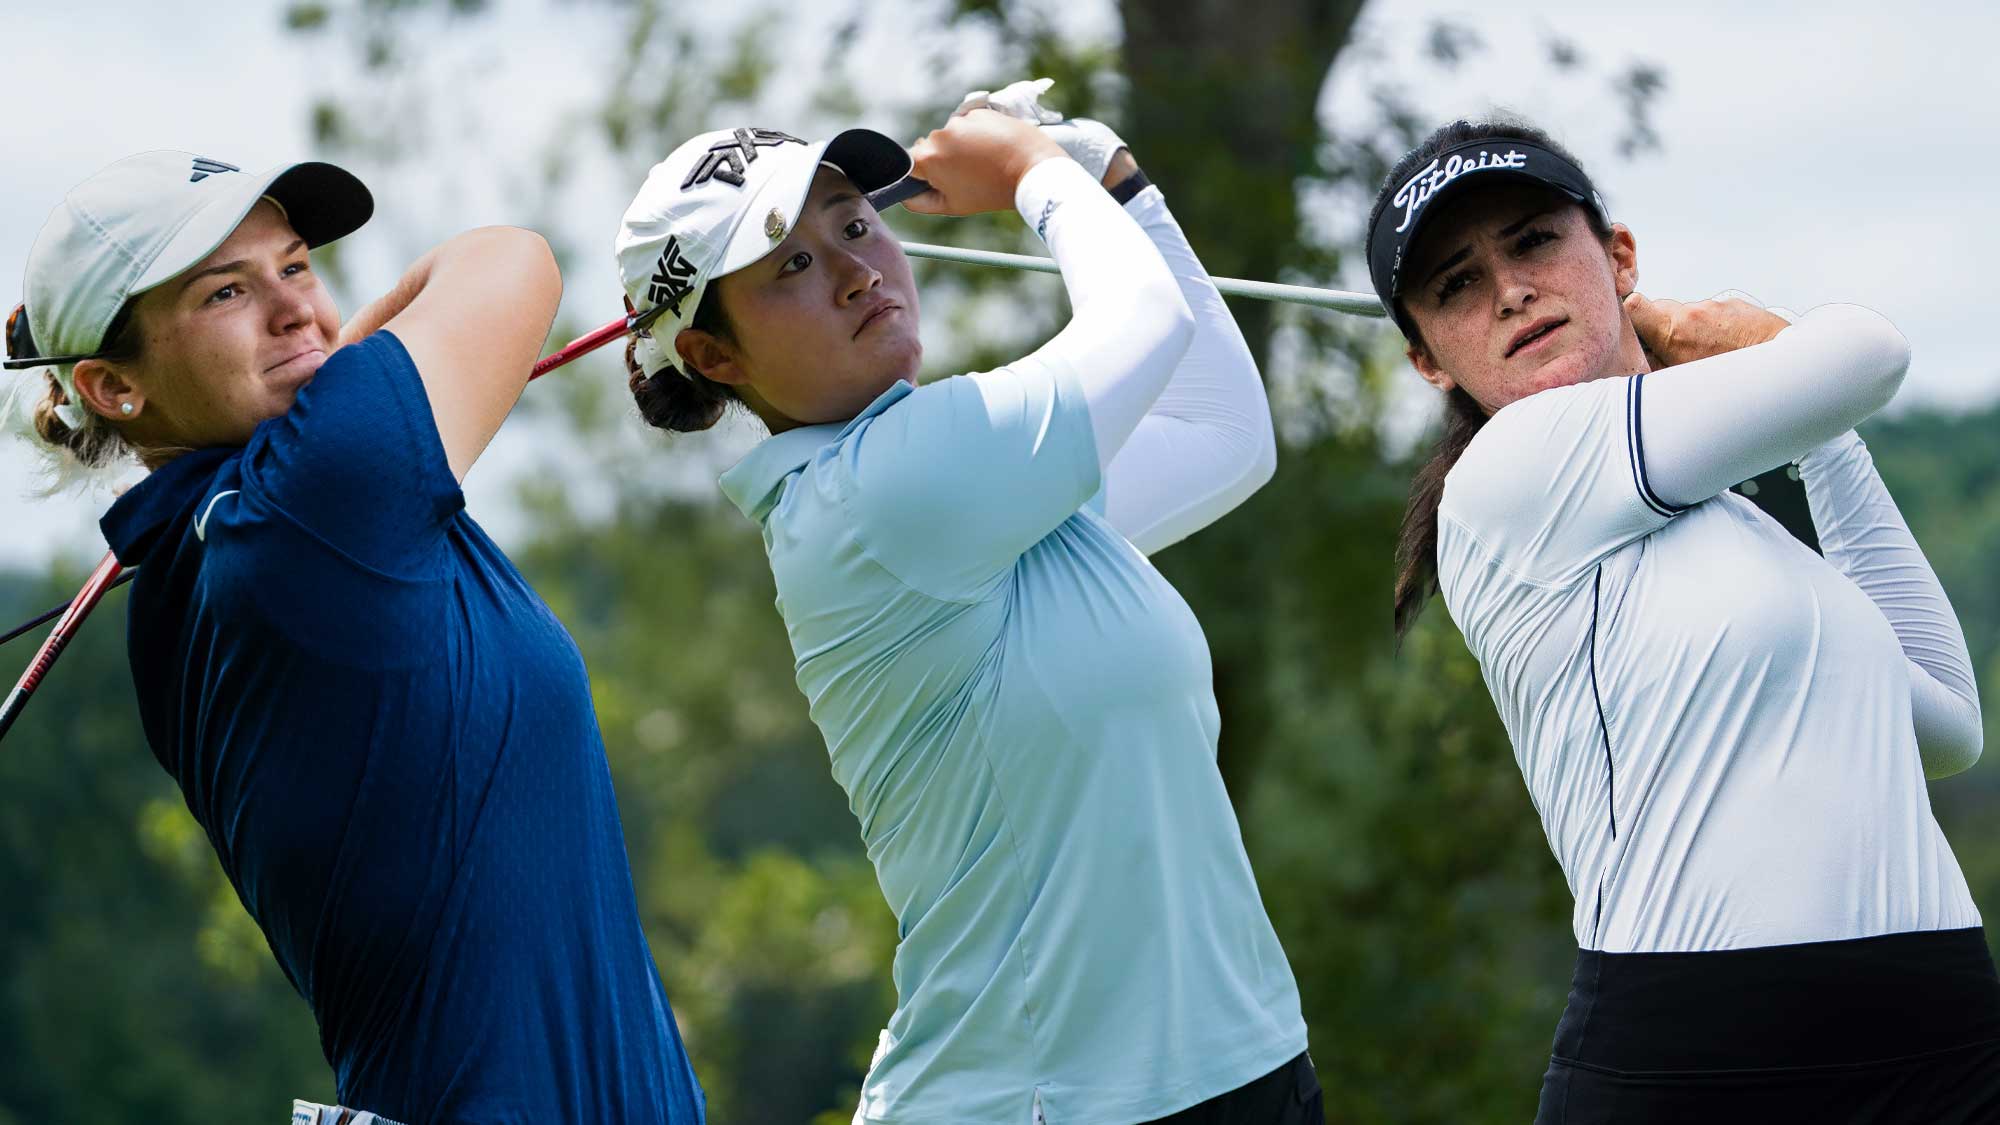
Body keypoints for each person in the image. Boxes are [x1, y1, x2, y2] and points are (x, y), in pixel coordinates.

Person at [613, 86, 1317, 1124]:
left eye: (854, 224)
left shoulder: (984, 494)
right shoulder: (878, 496)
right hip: (1043, 1102)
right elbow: (1145, 322)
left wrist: (1112, 178)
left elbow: (1222, 433)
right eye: (791, 266)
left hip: (1239, 1070)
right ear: (715, 359)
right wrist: (1034, 172)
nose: (856, 272)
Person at [7, 151, 704, 1124]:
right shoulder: (308, 508)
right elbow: (510, 257)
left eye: (296, 266)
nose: (294, 309)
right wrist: (340, 376)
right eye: (225, 292)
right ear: (114, 387)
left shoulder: (224, 550)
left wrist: (329, 375)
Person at [1368, 117, 2000, 1123]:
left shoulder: (1742, 536)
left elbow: (1944, 723)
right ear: (1427, 361)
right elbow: (1868, 352)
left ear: (1617, 257)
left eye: (1533, 242)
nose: (1509, 292)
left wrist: (1826, 444)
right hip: (1702, 1066)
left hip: (1942, 1040)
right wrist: (1746, 340)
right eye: (1456, 285)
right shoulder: (1509, 473)